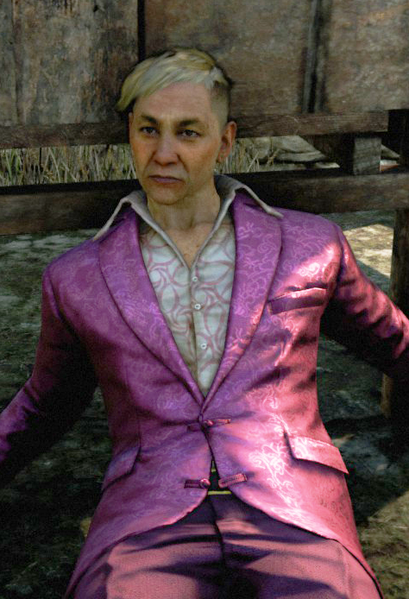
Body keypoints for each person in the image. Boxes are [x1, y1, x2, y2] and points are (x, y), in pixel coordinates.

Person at [0, 47, 407, 599]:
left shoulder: (311, 246)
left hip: (292, 506)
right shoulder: (77, 277)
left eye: (188, 132)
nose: (163, 153)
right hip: (147, 519)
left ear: (226, 140)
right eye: (149, 129)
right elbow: (44, 404)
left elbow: (394, 342)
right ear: (131, 135)